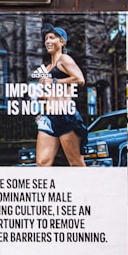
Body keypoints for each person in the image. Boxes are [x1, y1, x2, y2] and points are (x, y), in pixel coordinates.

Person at [33, 24, 87, 167]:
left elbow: (80, 79)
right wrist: (43, 96)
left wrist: (54, 81)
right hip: (48, 118)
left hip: (65, 115)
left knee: (75, 163)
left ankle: (87, 188)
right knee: (42, 163)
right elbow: (49, 93)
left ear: (62, 42)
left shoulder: (64, 59)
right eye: (46, 39)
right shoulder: (48, 68)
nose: (48, 41)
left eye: (52, 38)